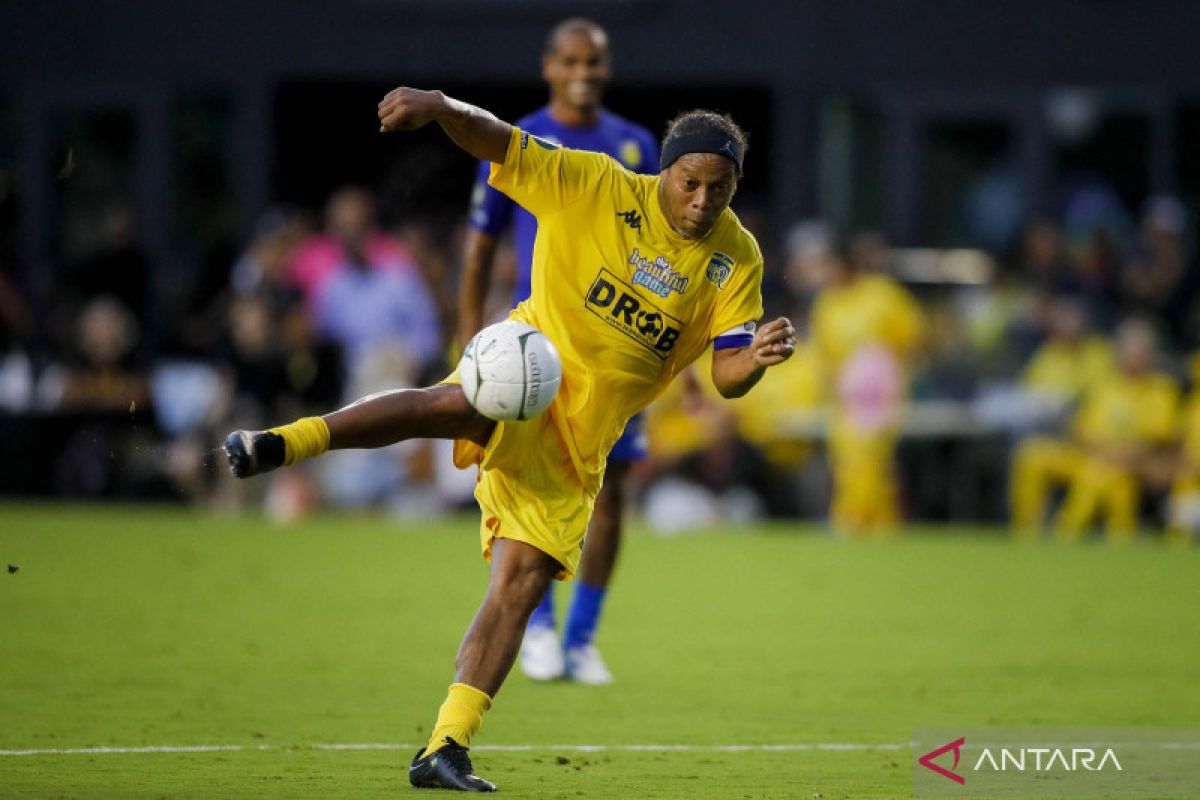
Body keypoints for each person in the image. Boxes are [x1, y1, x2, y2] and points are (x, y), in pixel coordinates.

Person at [223, 86, 795, 792]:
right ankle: (288, 442)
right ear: (664, 174)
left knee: (520, 585)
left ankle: (445, 746)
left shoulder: (736, 257)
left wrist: (757, 358)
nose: (705, 201)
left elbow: (727, 372)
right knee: (457, 404)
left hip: (583, 442)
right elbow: (501, 141)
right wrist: (438, 106)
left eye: (722, 187)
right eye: (692, 183)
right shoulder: (595, 183)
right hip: (530, 365)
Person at [459, 17, 660, 685]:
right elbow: (481, 244)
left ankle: (581, 638)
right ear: (549, 65)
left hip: (613, 350)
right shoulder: (516, 139)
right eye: (571, 60)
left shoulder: (635, 145)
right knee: (526, 485)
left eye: (594, 61)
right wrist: (468, 337)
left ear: (607, 68)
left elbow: (663, 252)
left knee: (614, 492)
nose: (583, 71)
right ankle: (538, 627)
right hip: (536, 346)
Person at [1010, 319, 1179, 540]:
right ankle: (1026, 533)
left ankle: (1067, 535)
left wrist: (1116, 456)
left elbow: (1158, 440)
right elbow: (1079, 430)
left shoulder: (1161, 391)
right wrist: (1099, 451)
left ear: (1150, 356)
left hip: (1130, 464)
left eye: (1138, 353)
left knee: (1098, 475)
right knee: (1031, 454)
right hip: (1090, 455)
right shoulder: (1104, 386)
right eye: (1127, 352)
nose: (1132, 359)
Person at [808, 230, 923, 535]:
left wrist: (890, 374)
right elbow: (823, 354)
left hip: (882, 397)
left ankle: (857, 522)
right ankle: (876, 527)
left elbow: (913, 339)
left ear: (844, 263)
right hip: (845, 400)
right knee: (847, 464)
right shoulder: (827, 303)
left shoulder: (882, 294)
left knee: (872, 461)